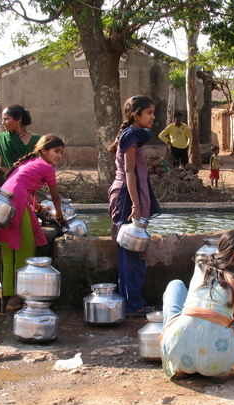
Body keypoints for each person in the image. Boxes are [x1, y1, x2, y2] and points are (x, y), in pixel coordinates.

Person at [160, 230, 234, 382]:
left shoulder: (202, 267)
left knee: (176, 285)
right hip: (219, 361)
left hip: (175, 353)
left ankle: (182, 367)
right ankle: (219, 370)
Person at [0, 134, 67, 310]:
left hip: (1, 203)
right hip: (16, 203)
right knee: (24, 248)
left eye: (61, 152)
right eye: (56, 151)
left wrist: (38, 208)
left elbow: (22, 185)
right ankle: (18, 297)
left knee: (8, 252)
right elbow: (55, 196)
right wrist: (60, 217)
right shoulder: (47, 167)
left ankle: (9, 296)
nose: (59, 156)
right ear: (43, 151)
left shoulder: (28, 163)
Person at [108, 95, 162, 315]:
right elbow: (130, 172)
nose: (153, 117)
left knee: (134, 249)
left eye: (153, 112)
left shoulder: (134, 135)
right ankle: (132, 304)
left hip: (130, 195)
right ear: (135, 114)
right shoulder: (131, 135)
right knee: (131, 251)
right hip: (127, 197)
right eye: (149, 112)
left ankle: (132, 302)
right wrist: (136, 206)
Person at [0, 104, 40, 184]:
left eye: (6, 119)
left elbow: (40, 164)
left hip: (25, 182)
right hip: (4, 182)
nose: (3, 123)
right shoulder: (1, 138)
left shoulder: (35, 140)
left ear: (18, 119)